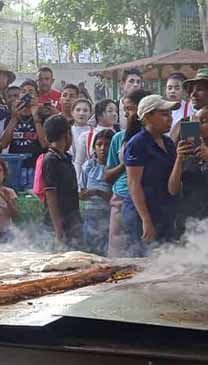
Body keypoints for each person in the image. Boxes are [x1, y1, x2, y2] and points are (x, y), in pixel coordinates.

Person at [122, 95, 192, 257]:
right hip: (142, 213)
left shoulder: (168, 143)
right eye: (164, 114)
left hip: (163, 211)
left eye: (170, 114)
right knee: (142, 263)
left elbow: (172, 188)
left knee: (164, 261)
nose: (169, 118)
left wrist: (180, 159)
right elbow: (134, 185)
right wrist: (146, 220)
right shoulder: (137, 144)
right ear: (148, 117)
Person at [104, 89, 150, 257]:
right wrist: (126, 164)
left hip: (147, 198)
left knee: (143, 250)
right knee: (118, 253)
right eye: (125, 109)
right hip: (121, 198)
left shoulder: (156, 139)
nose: (126, 115)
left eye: (130, 109)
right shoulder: (119, 138)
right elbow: (108, 176)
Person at [42, 114, 82, 248]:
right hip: (57, 224)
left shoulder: (65, 158)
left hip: (71, 220)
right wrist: (58, 230)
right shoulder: (50, 160)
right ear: (67, 134)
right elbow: (50, 196)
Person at [0, 79, 49, 169]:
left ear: (37, 97)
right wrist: (14, 118)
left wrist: (36, 117)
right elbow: (3, 144)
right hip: (15, 166)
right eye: (23, 92)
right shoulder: (11, 118)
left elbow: (44, 144)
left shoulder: (44, 118)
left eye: (31, 92)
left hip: (36, 166)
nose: (27, 95)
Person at [175, 105, 208, 237]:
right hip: (188, 218)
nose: (198, 126)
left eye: (204, 121)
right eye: (196, 121)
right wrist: (178, 159)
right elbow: (173, 188)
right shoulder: (187, 151)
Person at [80, 129, 113, 255]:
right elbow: (81, 194)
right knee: (90, 250)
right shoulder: (88, 166)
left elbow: (113, 197)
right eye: (99, 144)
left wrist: (97, 193)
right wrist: (92, 192)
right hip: (90, 215)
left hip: (108, 215)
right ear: (94, 147)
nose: (103, 148)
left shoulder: (114, 168)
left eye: (107, 144)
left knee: (106, 249)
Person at [72, 98, 118, 184]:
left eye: (116, 111)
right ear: (99, 115)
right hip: (91, 183)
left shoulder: (119, 135)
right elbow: (79, 162)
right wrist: (79, 184)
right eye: (110, 111)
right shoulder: (86, 136)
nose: (114, 114)